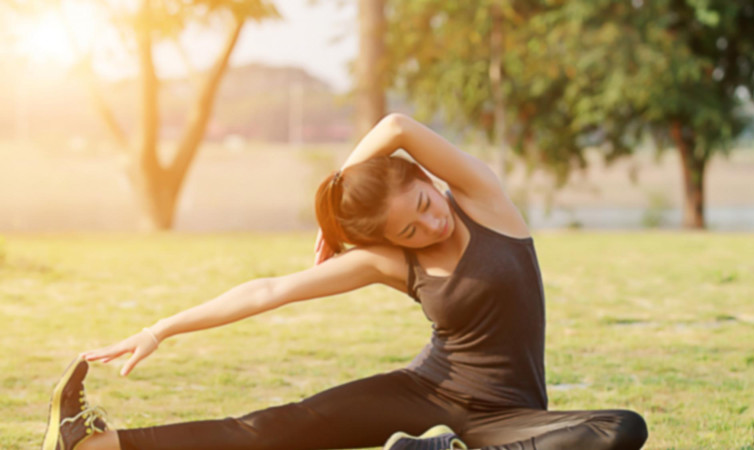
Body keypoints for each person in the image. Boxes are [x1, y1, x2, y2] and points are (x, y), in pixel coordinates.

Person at [42, 113, 648, 450]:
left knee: (621, 430)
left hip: (512, 422)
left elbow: (397, 125)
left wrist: (334, 209)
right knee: (284, 426)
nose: (428, 224)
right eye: (408, 230)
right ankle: (96, 446)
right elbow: (268, 290)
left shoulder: (485, 201)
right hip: (427, 395)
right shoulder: (391, 263)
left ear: (423, 178)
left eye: (422, 203)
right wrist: (161, 329)